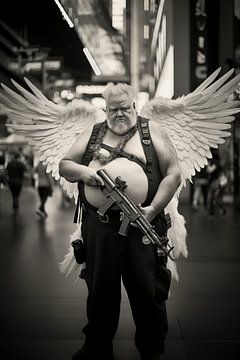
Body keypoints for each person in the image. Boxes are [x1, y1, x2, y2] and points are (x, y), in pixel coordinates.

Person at [59, 84, 181, 360]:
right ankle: (97, 347)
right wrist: (84, 173)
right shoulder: (92, 134)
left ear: (135, 106)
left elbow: (173, 174)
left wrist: (153, 209)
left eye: (125, 107)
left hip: (143, 224)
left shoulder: (152, 133)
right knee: (100, 291)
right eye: (113, 109)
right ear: (106, 110)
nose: (120, 114)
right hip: (100, 229)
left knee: (148, 291)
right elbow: (64, 165)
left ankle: (152, 349)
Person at [206, 151, 228, 215]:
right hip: (216, 181)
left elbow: (209, 171)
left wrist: (207, 165)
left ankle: (212, 211)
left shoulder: (215, 163)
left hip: (215, 181)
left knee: (212, 196)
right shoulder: (217, 163)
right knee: (215, 197)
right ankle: (217, 210)